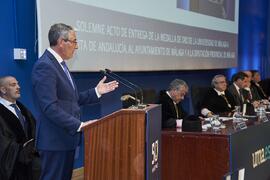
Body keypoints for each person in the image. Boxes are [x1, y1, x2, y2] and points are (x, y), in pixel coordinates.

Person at [32, 23, 118, 180]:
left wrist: (97, 92)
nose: (76, 46)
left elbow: (73, 100)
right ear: (61, 42)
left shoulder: (60, 65)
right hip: (54, 140)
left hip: (66, 139)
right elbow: (50, 107)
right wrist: (78, 125)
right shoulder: (45, 66)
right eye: (74, 41)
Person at [0, 76, 40, 180]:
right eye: (13, 85)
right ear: (3, 90)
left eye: (17, 84)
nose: (18, 87)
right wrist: (20, 148)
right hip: (12, 164)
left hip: (30, 160)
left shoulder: (21, 108)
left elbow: (34, 129)